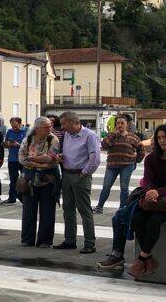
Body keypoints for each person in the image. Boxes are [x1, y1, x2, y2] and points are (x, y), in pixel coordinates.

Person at [99, 125, 166, 276]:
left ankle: (142, 258)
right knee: (135, 219)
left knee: (154, 222)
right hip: (152, 199)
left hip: (163, 200)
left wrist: (158, 191)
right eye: (159, 137)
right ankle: (148, 258)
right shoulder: (151, 158)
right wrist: (150, 191)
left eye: (165, 137)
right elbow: (148, 178)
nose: (162, 140)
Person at [55, 110, 100, 254]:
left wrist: (85, 172)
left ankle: (89, 243)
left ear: (73, 122)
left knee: (84, 209)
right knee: (67, 209)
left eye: (63, 123)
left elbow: (95, 158)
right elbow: (69, 152)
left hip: (81, 175)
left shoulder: (90, 135)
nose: (62, 127)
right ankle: (70, 240)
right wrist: (62, 156)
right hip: (67, 174)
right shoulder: (68, 135)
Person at [19, 116, 61, 248]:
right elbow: (21, 158)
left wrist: (33, 159)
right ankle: (27, 239)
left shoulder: (53, 139)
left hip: (49, 179)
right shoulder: (28, 139)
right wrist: (40, 163)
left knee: (48, 210)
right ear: (37, 128)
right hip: (30, 180)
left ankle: (45, 240)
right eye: (47, 127)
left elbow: (50, 158)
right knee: (28, 210)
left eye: (50, 126)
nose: (50, 129)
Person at [95, 116, 143, 214]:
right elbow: (104, 145)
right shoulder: (111, 135)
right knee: (106, 186)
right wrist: (112, 136)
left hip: (127, 165)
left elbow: (141, 150)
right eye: (118, 123)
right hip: (112, 165)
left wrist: (136, 161)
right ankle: (99, 207)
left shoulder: (133, 137)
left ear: (127, 125)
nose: (120, 125)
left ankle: (122, 209)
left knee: (124, 187)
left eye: (122, 123)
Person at [3, 117, 28, 206]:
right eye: (12, 126)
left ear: (20, 124)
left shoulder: (26, 131)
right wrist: (8, 144)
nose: (14, 128)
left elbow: (29, 145)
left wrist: (19, 145)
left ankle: (26, 199)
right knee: (13, 180)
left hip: (23, 160)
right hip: (12, 159)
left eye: (16, 126)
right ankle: (12, 198)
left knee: (25, 180)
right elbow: (5, 144)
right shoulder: (9, 131)